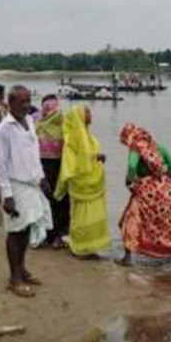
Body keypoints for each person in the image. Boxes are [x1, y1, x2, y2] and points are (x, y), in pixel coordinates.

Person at [0, 85, 53, 298]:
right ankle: (14, 278)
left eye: (29, 100)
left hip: (32, 184)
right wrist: (7, 195)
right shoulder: (4, 129)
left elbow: (34, 154)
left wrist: (42, 176)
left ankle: (22, 269)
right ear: (11, 103)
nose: (27, 105)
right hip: (15, 185)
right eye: (22, 101)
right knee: (15, 231)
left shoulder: (29, 122)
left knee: (26, 229)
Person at [116, 123, 171, 266]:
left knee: (130, 220)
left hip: (146, 192)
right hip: (165, 191)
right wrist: (165, 180)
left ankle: (127, 258)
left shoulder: (136, 149)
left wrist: (129, 181)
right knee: (168, 223)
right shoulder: (159, 147)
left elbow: (132, 166)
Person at [54, 105, 111, 258]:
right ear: (80, 116)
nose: (90, 114)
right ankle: (80, 247)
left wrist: (98, 157)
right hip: (81, 183)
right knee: (80, 216)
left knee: (93, 216)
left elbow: (89, 155)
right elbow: (71, 161)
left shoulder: (88, 135)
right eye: (87, 112)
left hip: (92, 181)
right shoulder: (73, 137)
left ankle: (91, 246)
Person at [36, 95, 69, 248]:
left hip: (42, 168)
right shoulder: (64, 125)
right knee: (60, 201)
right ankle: (58, 236)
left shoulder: (38, 124)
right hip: (60, 167)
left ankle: (46, 235)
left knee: (44, 200)